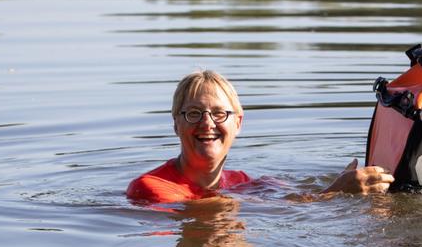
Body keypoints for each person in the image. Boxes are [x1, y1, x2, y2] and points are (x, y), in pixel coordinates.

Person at [127, 70, 394, 203]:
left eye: (220, 113)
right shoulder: (149, 188)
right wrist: (334, 192)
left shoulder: (243, 182)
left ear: (238, 123)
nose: (207, 123)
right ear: (176, 124)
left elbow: (298, 199)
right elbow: (208, 211)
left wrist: (351, 185)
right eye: (194, 114)